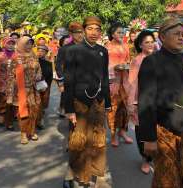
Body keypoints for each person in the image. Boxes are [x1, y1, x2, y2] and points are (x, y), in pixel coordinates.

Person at [138, 17, 183, 188]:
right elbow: (146, 102)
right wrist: (148, 138)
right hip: (164, 129)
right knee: (166, 176)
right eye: (177, 34)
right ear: (163, 37)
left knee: (180, 171)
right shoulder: (152, 62)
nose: (181, 37)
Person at [63, 16, 111, 188]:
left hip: (98, 100)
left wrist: (107, 102)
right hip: (79, 101)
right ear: (83, 30)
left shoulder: (103, 51)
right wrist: (69, 108)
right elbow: (68, 81)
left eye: (97, 29)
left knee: (98, 138)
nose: (94, 32)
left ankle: (97, 174)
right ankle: (76, 173)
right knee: (79, 139)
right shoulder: (72, 50)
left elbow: (104, 77)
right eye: (90, 28)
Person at [127, 30, 155, 174]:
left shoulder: (159, 58)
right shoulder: (137, 60)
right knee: (142, 132)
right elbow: (132, 83)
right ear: (140, 45)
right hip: (141, 102)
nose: (150, 44)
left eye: (152, 41)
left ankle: (153, 156)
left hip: (156, 102)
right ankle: (145, 159)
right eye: (147, 42)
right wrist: (132, 103)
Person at [7, 36, 42, 144]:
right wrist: (10, 93)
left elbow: (39, 69)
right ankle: (23, 133)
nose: (29, 46)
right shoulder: (16, 58)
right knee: (23, 112)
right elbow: (11, 76)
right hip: (20, 90)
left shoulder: (34, 55)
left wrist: (38, 75)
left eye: (30, 43)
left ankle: (31, 131)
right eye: (26, 43)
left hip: (33, 89)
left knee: (34, 111)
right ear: (21, 44)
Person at [106, 22, 133, 147]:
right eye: (119, 32)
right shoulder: (107, 47)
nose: (121, 34)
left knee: (126, 108)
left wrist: (128, 66)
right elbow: (104, 65)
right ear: (112, 34)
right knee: (113, 109)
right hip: (113, 81)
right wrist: (114, 67)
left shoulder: (126, 46)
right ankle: (113, 135)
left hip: (125, 81)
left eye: (123, 32)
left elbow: (128, 61)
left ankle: (122, 132)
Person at [55, 22, 84, 118]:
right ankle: (73, 131)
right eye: (77, 32)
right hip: (70, 83)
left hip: (85, 83)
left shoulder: (88, 47)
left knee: (84, 110)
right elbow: (58, 65)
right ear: (71, 34)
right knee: (72, 111)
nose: (80, 34)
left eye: (82, 32)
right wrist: (62, 80)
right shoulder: (64, 49)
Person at [0, 37, 16, 130]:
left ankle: (9, 122)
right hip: (2, 82)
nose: (10, 45)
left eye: (12, 43)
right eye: (9, 43)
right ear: (4, 44)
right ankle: (1, 116)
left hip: (14, 83)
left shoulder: (17, 55)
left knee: (12, 103)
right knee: (3, 101)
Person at [36, 45, 53, 129]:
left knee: (42, 103)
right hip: (34, 84)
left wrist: (47, 86)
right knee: (36, 103)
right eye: (38, 50)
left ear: (46, 53)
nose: (40, 52)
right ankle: (37, 120)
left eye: (43, 51)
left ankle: (39, 119)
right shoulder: (34, 61)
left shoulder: (49, 63)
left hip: (44, 85)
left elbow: (50, 76)